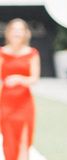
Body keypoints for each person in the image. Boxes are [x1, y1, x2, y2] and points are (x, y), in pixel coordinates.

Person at [0, 18, 40, 160]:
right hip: (5, 102)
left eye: (20, 29)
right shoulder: (2, 53)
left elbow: (35, 78)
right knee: (9, 139)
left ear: (25, 33)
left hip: (24, 102)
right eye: (14, 29)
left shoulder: (32, 53)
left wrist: (19, 79)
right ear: (8, 32)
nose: (17, 32)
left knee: (24, 139)